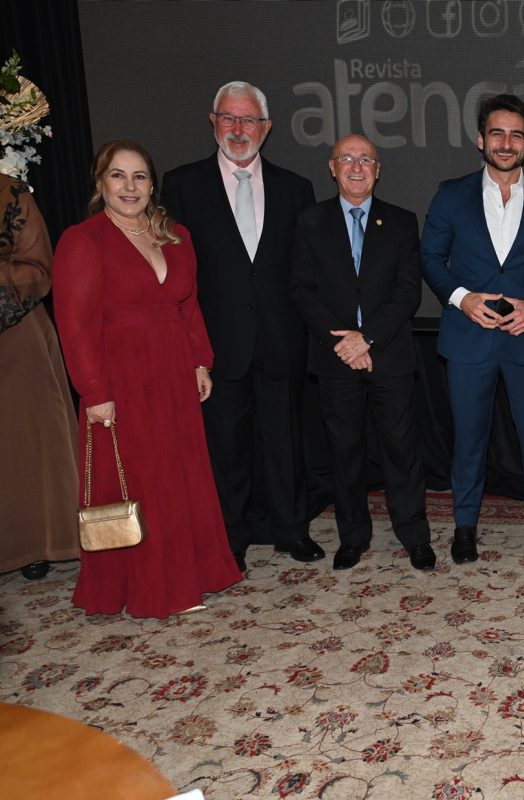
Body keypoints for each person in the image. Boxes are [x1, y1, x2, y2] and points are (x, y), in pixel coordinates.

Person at [52, 140, 243, 617]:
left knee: (181, 477)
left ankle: (193, 575)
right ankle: (153, 588)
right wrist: (94, 391)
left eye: (139, 176)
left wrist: (200, 361)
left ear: (152, 184)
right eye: (117, 175)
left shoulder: (175, 235)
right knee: (141, 480)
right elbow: (74, 326)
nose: (129, 186)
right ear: (100, 183)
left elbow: (188, 306)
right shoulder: (84, 240)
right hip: (121, 379)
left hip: (174, 374)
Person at [161, 81, 318, 574]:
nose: (237, 128)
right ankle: (229, 536)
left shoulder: (297, 188)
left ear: (266, 128)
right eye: (228, 118)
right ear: (213, 122)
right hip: (217, 343)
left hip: (281, 340)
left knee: (285, 442)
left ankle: (291, 529)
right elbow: (176, 272)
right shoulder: (182, 185)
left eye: (248, 119)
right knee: (225, 448)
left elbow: (303, 270)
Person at [421, 94, 524, 563]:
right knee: (468, 440)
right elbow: (430, 257)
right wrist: (462, 298)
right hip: (468, 339)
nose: (506, 143)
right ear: (480, 139)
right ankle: (465, 526)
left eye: (516, 135)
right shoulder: (451, 194)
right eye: (497, 133)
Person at [291, 134, 433, 572]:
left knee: (402, 450)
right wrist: (345, 344)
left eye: (366, 159)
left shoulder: (402, 221)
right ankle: (353, 537)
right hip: (335, 357)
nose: (357, 167)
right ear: (332, 167)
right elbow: (302, 290)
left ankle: (415, 536)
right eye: (347, 159)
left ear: (378, 169)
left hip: (389, 354)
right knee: (344, 451)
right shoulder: (310, 221)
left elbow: (407, 293)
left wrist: (366, 339)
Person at [0, 173, 79, 580]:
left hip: (14, 335)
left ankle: (34, 544)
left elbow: (38, 269)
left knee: (24, 444)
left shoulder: (10, 192)